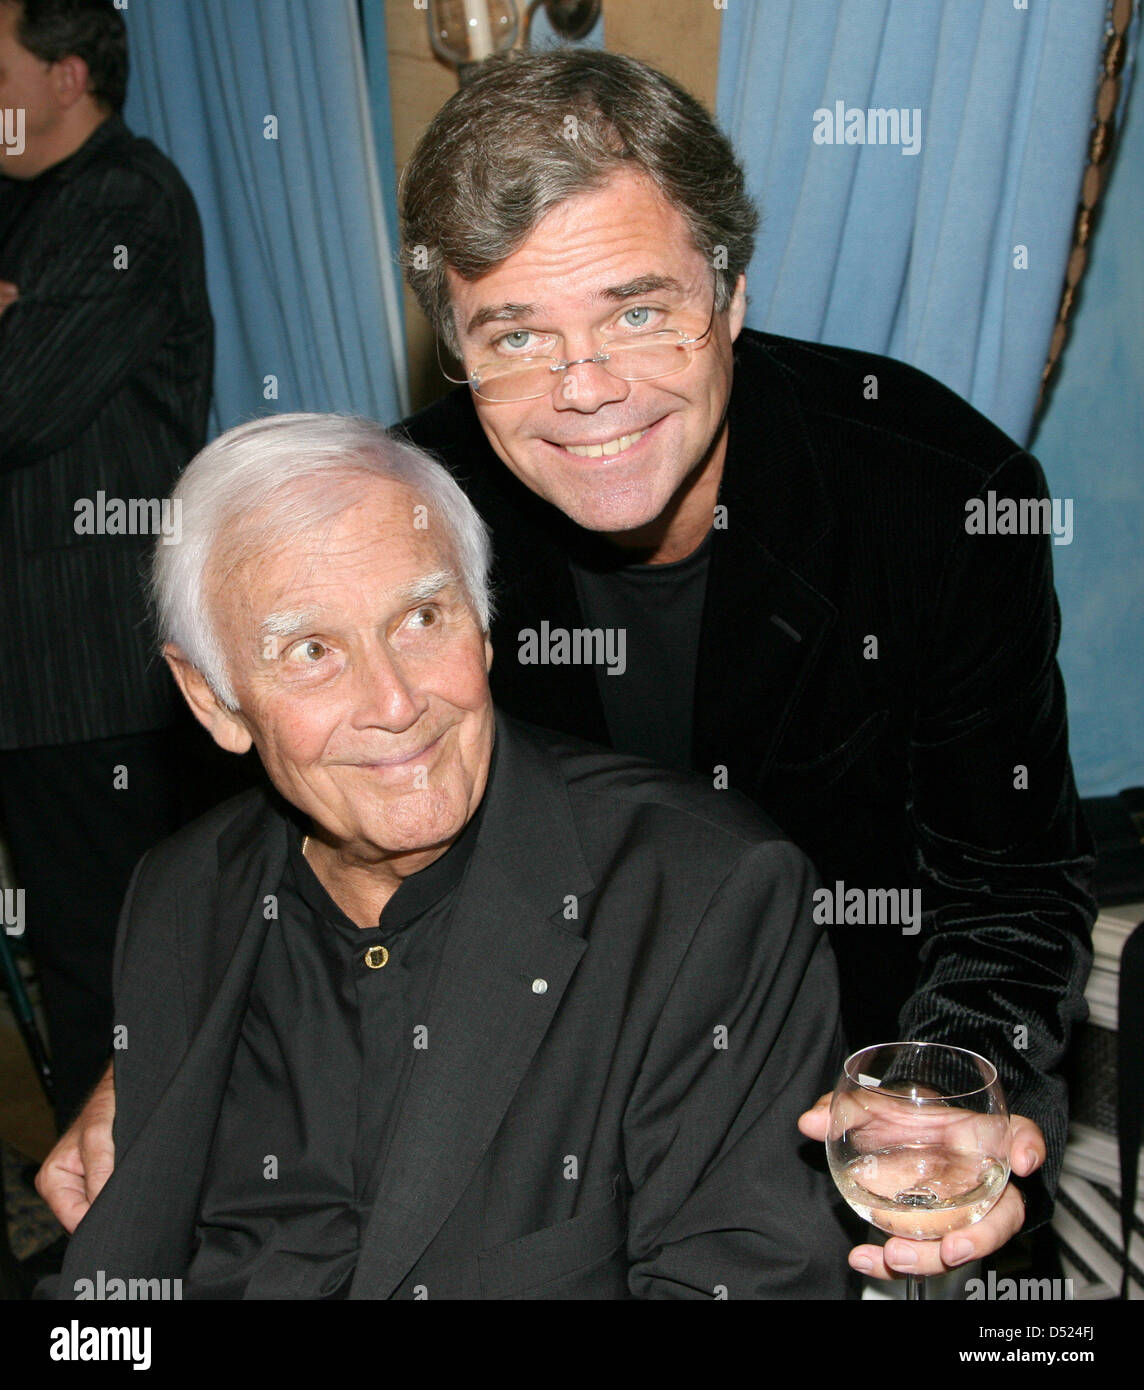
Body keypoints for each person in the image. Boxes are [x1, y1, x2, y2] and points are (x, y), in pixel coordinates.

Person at [41, 47, 1095, 1287]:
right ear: (454, 348)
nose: (585, 389)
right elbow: (309, 795)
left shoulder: (938, 495)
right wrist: (170, 1049)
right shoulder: (413, 519)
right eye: (517, 334)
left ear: (731, 292)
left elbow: (1010, 883)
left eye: (637, 311)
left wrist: (939, 1095)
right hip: (543, 1156)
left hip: (861, 1132)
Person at [44, 413, 849, 1300]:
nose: (393, 702)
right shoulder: (181, 893)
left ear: (486, 622)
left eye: (422, 617)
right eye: (313, 652)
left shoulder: (703, 898)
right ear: (213, 699)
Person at [0, 0, 214, 1127]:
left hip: (91, 674)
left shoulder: (122, 197)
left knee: (116, 974)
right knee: (73, 964)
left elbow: (14, 403)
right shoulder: (16, 200)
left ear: (66, 73)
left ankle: (138, 1254)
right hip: (26, 682)